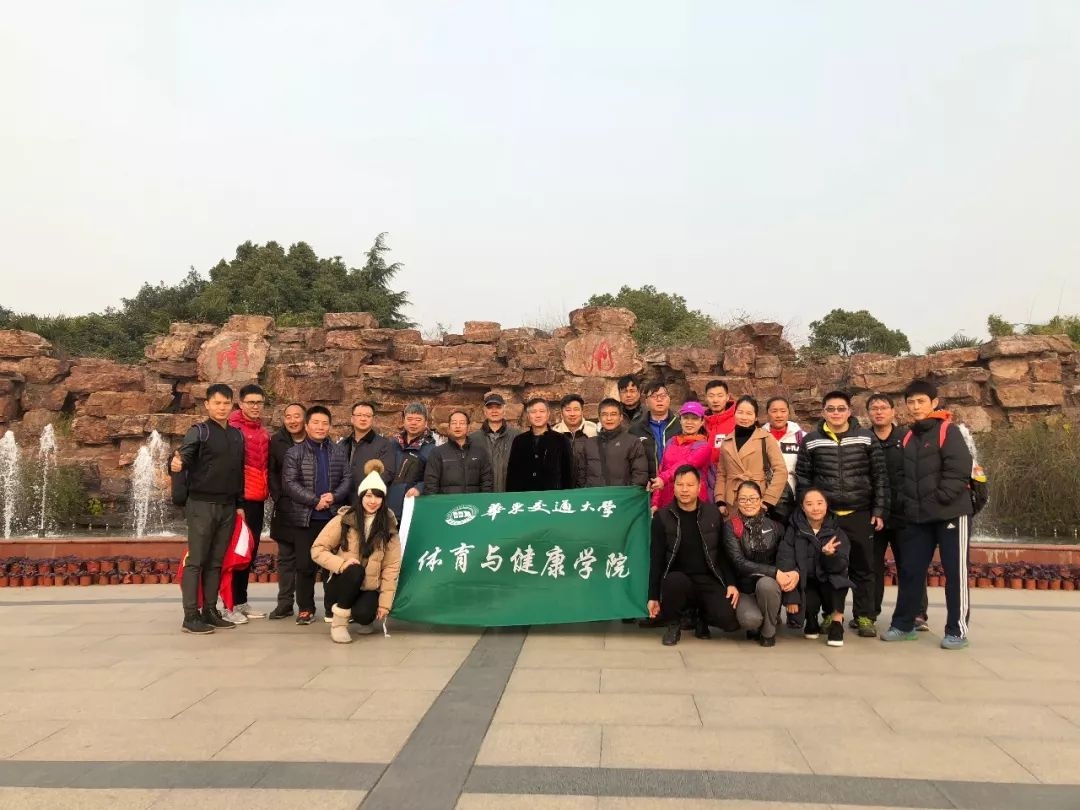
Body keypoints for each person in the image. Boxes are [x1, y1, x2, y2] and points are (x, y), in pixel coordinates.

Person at [881, 380, 975, 650]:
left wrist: (937, 499)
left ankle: (957, 630)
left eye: (921, 401)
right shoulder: (908, 436)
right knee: (910, 570)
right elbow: (902, 476)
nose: (915, 406)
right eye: (910, 402)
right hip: (917, 517)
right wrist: (907, 504)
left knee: (955, 573)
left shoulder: (949, 431)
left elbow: (959, 471)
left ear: (934, 403)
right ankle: (904, 624)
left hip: (950, 514)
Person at [795, 390, 888, 639]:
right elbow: (803, 479)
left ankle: (865, 616)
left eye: (840, 408)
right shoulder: (812, 440)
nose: (836, 413)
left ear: (849, 411)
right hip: (828, 517)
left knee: (863, 567)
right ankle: (831, 613)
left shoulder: (866, 437)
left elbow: (880, 476)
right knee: (829, 567)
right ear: (823, 412)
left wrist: (879, 509)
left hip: (860, 512)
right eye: (831, 409)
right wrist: (807, 511)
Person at [170, 383, 246, 634]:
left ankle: (210, 611)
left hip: (227, 506)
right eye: (217, 403)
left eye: (226, 403)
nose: (222, 408)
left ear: (232, 405)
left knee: (216, 561)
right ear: (207, 405)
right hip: (201, 504)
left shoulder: (236, 435)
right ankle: (190, 615)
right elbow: (182, 458)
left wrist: (240, 504)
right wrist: (176, 464)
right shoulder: (199, 432)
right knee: (197, 560)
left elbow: (238, 473)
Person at [647, 465, 740, 646]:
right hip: (677, 578)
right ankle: (673, 625)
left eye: (689, 485)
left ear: (699, 487)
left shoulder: (712, 514)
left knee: (728, 620)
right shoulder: (662, 517)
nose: (684, 489)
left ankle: (700, 616)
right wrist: (653, 596)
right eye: (680, 484)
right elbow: (656, 559)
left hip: (707, 577)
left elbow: (722, 552)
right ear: (673, 487)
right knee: (674, 582)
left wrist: (731, 583)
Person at [311, 459, 402, 644]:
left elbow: (391, 567)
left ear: (383, 499)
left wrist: (384, 603)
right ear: (361, 496)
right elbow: (317, 550)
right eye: (368, 496)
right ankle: (339, 623)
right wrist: (341, 564)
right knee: (355, 569)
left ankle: (359, 612)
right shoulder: (345, 519)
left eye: (378, 497)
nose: (373, 501)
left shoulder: (389, 527)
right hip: (342, 582)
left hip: (368, 586)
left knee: (365, 615)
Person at [278, 405, 353, 625]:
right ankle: (305, 608)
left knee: (332, 565)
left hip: (332, 518)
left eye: (325, 423)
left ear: (330, 426)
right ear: (307, 425)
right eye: (316, 423)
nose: (321, 427)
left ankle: (331, 608)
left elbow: (347, 478)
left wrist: (334, 496)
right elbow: (289, 483)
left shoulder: (338, 451)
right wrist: (314, 500)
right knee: (304, 566)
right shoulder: (294, 453)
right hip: (305, 518)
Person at [866, 394, 924, 628]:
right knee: (871, 567)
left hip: (904, 513)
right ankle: (868, 613)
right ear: (868, 413)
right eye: (874, 408)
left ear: (893, 411)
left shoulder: (908, 437)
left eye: (883, 407)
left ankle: (916, 613)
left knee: (910, 565)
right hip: (873, 514)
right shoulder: (863, 439)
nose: (879, 412)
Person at [722, 481, 798, 647]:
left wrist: (791, 574)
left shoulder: (775, 526)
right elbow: (739, 562)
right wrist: (774, 572)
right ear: (736, 501)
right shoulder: (730, 526)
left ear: (761, 500)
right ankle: (762, 618)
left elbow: (786, 557)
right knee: (751, 620)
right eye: (743, 499)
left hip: (769, 587)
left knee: (766, 584)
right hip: (745, 588)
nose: (748, 503)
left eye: (753, 498)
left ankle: (768, 631)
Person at [776, 487, 853, 648]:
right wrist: (791, 596)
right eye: (809, 504)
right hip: (806, 579)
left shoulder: (837, 530)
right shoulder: (793, 530)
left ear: (827, 505)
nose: (815, 508)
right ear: (802, 507)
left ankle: (837, 623)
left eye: (819, 503)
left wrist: (829, 555)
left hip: (828, 579)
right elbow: (785, 562)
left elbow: (842, 565)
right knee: (808, 595)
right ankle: (811, 619)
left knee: (839, 582)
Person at [222, 384, 271, 624]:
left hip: (257, 500)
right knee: (236, 553)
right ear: (240, 403)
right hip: (240, 502)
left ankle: (240, 602)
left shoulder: (262, 432)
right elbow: (229, 469)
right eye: (250, 402)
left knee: (249, 553)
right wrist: (236, 502)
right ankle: (228, 606)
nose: (255, 406)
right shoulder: (232, 429)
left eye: (259, 402)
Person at [714, 396, 789, 520]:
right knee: (733, 530)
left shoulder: (765, 438)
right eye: (740, 412)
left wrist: (768, 500)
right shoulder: (727, 441)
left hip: (757, 498)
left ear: (755, 417)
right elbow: (722, 474)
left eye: (749, 413)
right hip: (732, 500)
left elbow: (781, 470)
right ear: (734, 414)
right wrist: (720, 500)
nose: (744, 417)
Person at [649, 401, 712, 512]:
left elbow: (687, 464)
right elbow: (662, 470)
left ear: (702, 421)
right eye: (685, 418)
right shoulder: (671, 441)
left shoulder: (704, 446)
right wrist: (655, 502)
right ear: (680, 420)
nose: (689, 422)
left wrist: (663, 479)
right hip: (667, 501)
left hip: (692, 501)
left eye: (694, 419)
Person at [506, 398, 574, 491]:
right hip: (525, 495)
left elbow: (568, 474)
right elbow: (512, 474)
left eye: (542, 411)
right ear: (528, 416)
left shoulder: (561, 440)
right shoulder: (519, 441)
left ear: (548, 414)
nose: (538, 415)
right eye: (533, 412)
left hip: (553, 496)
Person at [387, 403, 437, 520]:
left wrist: (419, 488)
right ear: (403, 421)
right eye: (409, 419)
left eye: (418, 420)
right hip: (386, 505)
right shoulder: (392, 444)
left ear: (426, 423)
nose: (413, 423)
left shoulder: (432, 449)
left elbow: (433, 478)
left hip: (412, 505)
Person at [424, 410, 494, 494]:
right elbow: (431, 484)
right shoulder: (437, 453)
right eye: (454, 423)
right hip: (448, 501)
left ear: (468, 427)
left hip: (474, 501)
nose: (458, 426)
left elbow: (487, 482)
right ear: (449, 427)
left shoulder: (480, 452)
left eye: (462, 423)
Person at [340, 401, 396, 493]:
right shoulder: (343, 444)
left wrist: (368, 493)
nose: (363, 419)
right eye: (359, 415)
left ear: (373, 419)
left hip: (368, 497)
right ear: (352, 419)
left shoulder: (384, 445)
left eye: (368, 416)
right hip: (342, 498)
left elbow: (387, 474)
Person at [469, 392, 521, 492]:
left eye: (498, 407)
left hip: (510, 494)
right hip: (482, 495)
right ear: (484, 411)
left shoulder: (517, 437)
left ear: (504, 410)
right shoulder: (473, 439)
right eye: (490, 407)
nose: (494, 411)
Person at [629, 380, 680, 479]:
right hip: (648, 483)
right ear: (646, 402)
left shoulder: (680, 426)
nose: (659, 399)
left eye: (663, 396)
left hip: (676, 482)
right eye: (654, 396)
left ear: (669, 399)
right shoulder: (635, 430)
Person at [593, 398, 649, 487]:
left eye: (613, 414)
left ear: (621, 418)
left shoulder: (632, 442)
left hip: (623, 494)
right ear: (599, 418)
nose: (609, 418)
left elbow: (640, 474)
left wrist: (628, 493)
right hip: (596, 494)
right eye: (604, 414)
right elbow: (582, 476)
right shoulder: (589, 444)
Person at [553, 393, 602, 488]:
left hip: (589, 488)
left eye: (576, 409)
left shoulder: (594, 431)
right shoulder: (554, 434)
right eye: (568, 410)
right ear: (561, 413)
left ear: (582, 411)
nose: (572, 414)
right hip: (562, 489)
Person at [703, 379, 737, 465]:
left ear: (727, 397)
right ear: (706, 398)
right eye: (711, 396)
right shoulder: (700, 422)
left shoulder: (737, 421)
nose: (715, 400)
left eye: (720, 396)